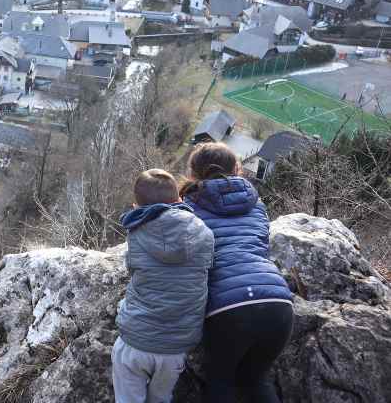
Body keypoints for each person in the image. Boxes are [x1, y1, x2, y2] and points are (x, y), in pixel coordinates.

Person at [181, 143, 294, 403]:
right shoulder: (257, 205)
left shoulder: (188, 207)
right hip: (278, 301)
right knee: (256, 380)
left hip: (229, 308)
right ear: (237, 169)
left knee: (221, 382)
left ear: (193, 173)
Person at [112, 169, 215, 403]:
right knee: (160, 399)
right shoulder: (204, 233)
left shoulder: (137, 233)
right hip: (176, 347)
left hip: (136, 339)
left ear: (136, 206)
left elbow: (133, 269)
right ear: (179, 199)